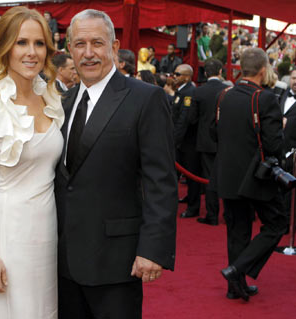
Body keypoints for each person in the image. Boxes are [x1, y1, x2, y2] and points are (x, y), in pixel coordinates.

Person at [56, 9, 176, 318]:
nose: (88, 52)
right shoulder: (62, 103)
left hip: (116, 261)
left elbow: (160, 181)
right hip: (62, 259)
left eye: (97, 42)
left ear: (114, 45)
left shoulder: (145, 98)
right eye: (80, 44)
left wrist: (152, 250)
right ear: (70, 49)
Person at [0, 7, 63, 318]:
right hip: (10, 231)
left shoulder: (51, 96)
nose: (31, 52)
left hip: (49, 230)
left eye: (39, 43)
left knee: (44, 310)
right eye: (21, 43)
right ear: (4, 48)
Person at [214, 48, 287, 301]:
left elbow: (217, 134)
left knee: (237, 230)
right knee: (277, 224)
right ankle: (237, 269)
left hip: (227, 174)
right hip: (256, 176)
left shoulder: (224, 95)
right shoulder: (265, 98)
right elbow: (274, 145)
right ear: (263, 70)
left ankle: (235, 287)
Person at [190, 59, 227, 225]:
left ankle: (212, 215)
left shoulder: (199, 92)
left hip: (205, 140)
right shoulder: (228, 90)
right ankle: (228, 214)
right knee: (227, 176)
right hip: (225, 140)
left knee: (209, 177)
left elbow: (192, 119)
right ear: (220, 71)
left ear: (205, 73)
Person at [171, 64, 200, 218]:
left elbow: (184, 120)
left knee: (191, 176)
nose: (174, 76)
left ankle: (193, 207)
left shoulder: (189, 93)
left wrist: (173, 141)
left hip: (187, 143)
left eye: (177, 74)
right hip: (179, 142)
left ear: (187, 77)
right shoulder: (180, 91)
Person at [280, 69, 296, 216]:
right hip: (279, 149)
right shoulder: (282, 95)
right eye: (293, 78)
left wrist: (289, 122)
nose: (295, 81)